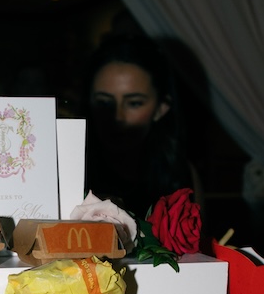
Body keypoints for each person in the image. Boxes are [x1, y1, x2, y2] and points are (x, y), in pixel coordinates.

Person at [83, 34, 203, 219]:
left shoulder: (179, 172)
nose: (118, 117)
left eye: (134, 103)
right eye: (104, 102)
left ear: (161, 108)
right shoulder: (70, 170)